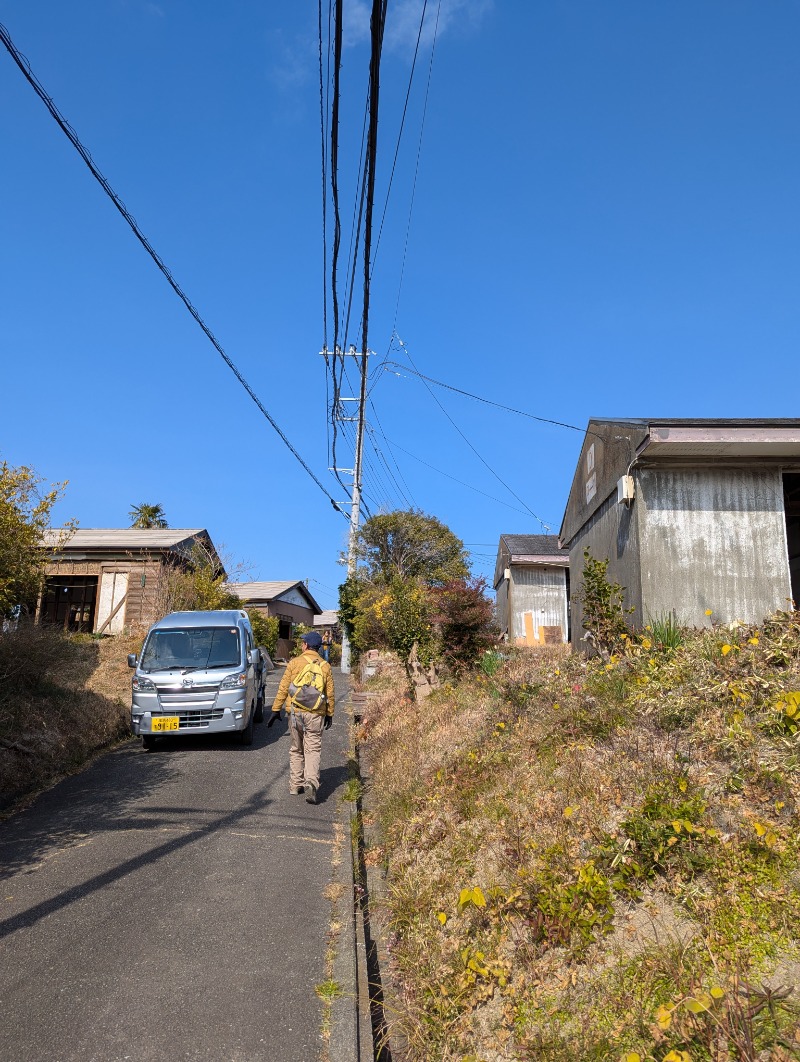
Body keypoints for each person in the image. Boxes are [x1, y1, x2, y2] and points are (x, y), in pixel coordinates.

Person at [268, 630, 335, 804]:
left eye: (303, 643)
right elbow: (330, 693)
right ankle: (311, 782)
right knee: (312, 749)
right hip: (315, 713)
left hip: (295, 712)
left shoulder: (295, 663)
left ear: (305, 645)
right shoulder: (325, 666)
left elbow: (283, 687)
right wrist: (330, 713)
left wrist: (276, 710)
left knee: (296, 749)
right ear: (319, 648)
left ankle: (295, 785)